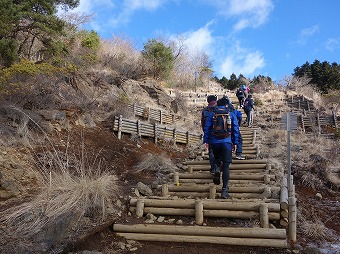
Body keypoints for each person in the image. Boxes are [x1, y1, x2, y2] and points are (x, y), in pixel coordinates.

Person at [203, 97, 241, 199]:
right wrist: (235, 142)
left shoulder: (212, 114)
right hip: (227, 142)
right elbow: (235, 129)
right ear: (226, 105)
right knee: (226, 166)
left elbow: (207, 128)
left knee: (216, 159)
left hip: (215, 142)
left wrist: (206, 141)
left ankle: (216, 169)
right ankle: (224, 190)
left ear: (217, 104)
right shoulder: (230, 114)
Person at [201, 95, 218, 175]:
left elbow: (203, 125)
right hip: (221, 133)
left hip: (210, 134)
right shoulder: (220, 108)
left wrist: (206, 136)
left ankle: (213, 169)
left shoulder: (205, 111)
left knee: (211, 152)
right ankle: (218, 167)